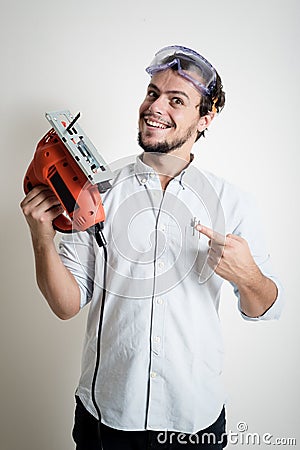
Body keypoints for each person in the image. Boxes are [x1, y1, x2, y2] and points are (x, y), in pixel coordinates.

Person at [20, 46, 284, 449]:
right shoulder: (94, 191)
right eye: (152, 93)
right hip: (106, 415)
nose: (155, 106)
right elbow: (66, 304)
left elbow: (265, 308)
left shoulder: (232, 202)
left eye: (176, 100)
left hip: (193, 419)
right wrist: (41, 238)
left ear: (205, 119)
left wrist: (248, 275)